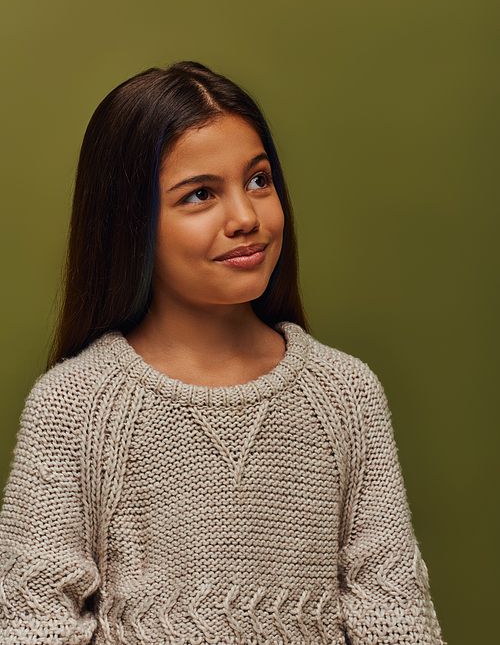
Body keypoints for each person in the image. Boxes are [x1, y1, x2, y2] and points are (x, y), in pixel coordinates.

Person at [0, 62, 444, 645]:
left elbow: (394, 610)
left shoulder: (345, 393)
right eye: (201, 194)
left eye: (259, 181)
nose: (245, 217)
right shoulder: (75, 406)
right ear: (131, 224)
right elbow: (34, 620)